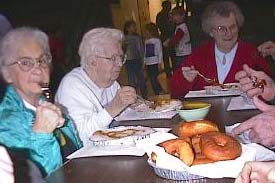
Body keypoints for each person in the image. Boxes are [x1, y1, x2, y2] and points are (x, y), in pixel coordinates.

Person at [0, 27, 82, 176]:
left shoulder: (50, 106)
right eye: (25, 63)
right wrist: (42, 134)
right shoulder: (5, 124)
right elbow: (30, 178)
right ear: (7, 74)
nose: (38, 69)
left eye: (42, 60)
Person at [169, 1, 272, 98]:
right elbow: (175, 92)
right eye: (221, 29)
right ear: (211, 32)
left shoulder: (252, 52)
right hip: (207, 116)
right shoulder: (199, 54)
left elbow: (269, 89)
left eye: (233, 27)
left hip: (246, 116)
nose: (229, 33)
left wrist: (258, 85)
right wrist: (185, 80)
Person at [55, 28, 137, 145]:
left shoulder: (111, 83)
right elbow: (81, 139)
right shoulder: (72, 86)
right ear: (93, 61)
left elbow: (123, 117)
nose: (119, 64)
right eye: (113, 58)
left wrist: (133, 104)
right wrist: (112, 108)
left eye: (121, 57)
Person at [123, 20, 148, 98]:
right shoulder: (123, 38)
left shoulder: (137, 38)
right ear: (127, 28)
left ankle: (144, 95)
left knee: (141, 78)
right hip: (128, 61)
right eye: (133, 26)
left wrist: (143, 60)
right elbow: (122, 51)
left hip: (137, 60)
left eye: (135, 26)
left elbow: (141, 49)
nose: (135, 28)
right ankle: (134, 97)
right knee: (131, 80)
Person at [163, 6, 192, 71]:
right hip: (182, 52)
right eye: (173, 15)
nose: (173, 17)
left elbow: (176, 39)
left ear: (182, 16)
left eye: (175, 15)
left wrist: (168, 43)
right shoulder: (180, 26)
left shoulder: (181, 28)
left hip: (183, 53)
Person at [156, 0, 175, 77]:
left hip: (170, 35)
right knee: (167, 56)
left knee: (171, 55)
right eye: (168, 6)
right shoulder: (161, 15)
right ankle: (169, 72)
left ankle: (170, 71)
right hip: (165, 35)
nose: (169, 7)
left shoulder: (169, 15)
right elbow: (159, 25)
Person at [144, 23, 163, 95]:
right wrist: (144, 62)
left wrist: (159, 63)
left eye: (146, 31)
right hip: (148, 63)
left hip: (154, 62)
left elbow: (160, 52)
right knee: (152, 79)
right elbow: (145, 53)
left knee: (153, 78)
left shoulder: (157, 40)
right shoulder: (146, 41)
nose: (146, 32)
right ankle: (159, 91)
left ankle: (158, 92)